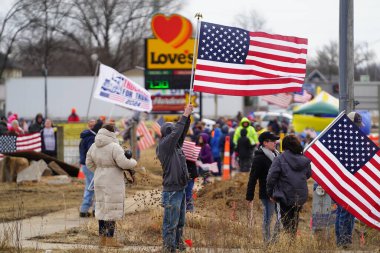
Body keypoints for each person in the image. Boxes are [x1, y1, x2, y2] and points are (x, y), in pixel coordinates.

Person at [86, 124, 137, 247]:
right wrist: (133, 162)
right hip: (113, 180)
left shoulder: (94, 146)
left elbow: (88, 163)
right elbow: (124, 163)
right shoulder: (114, 147)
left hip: (99, 179)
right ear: (112, 133)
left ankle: (102, 240)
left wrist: (100, 171)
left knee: (102, 209)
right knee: (112, 210)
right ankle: (110, 239)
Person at [156, 104, 193, 253]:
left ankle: (178, 244)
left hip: (180, 188)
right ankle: (168, 247)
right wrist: (184, 115)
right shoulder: (165, 146)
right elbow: (177, 133)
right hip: (172, 190)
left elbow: (181, 133)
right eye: (171, 132)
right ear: (166, 134)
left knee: (180, 221)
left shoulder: (175, 146)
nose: (174, 134)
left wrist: (188, 117)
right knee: (170, 222)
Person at [266, 134, 311, 237]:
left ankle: (289, 243)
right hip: (300, 195)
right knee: (294, 218)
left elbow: (271, 177)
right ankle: (292, 240)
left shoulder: (280, 159)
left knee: (286, 220)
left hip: (284, 194)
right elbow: (308, 174)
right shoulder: (304, 159)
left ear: (284, 145)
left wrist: (270, 192)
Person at [334, 111, 363, 248]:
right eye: (356, 125)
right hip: (344, 181)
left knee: (345, 211)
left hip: (347, 180)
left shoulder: (347, 137)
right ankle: (343, 242)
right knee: (345, 211)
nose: (358, 128)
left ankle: (343, 240)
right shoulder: (344, 139)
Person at [246, 131, 280, 244]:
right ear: (265, 143)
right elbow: (253, 178)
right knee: (268, 218)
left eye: (275, 141)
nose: (275, 143)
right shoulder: (260, 158)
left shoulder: (277, 155)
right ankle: (267, 242)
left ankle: (274, 241)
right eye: (272, 141)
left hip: (279, 192)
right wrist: (249, 196)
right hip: (266, 193)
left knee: (280, 218)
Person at [79, 119, 102, 217]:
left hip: (84, 166)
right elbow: (92, 153)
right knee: (97, 187)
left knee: (89, 187)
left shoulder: (85, 137)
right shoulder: (91, 138)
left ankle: (84, 210)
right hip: (90, 166)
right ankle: (96, 210)